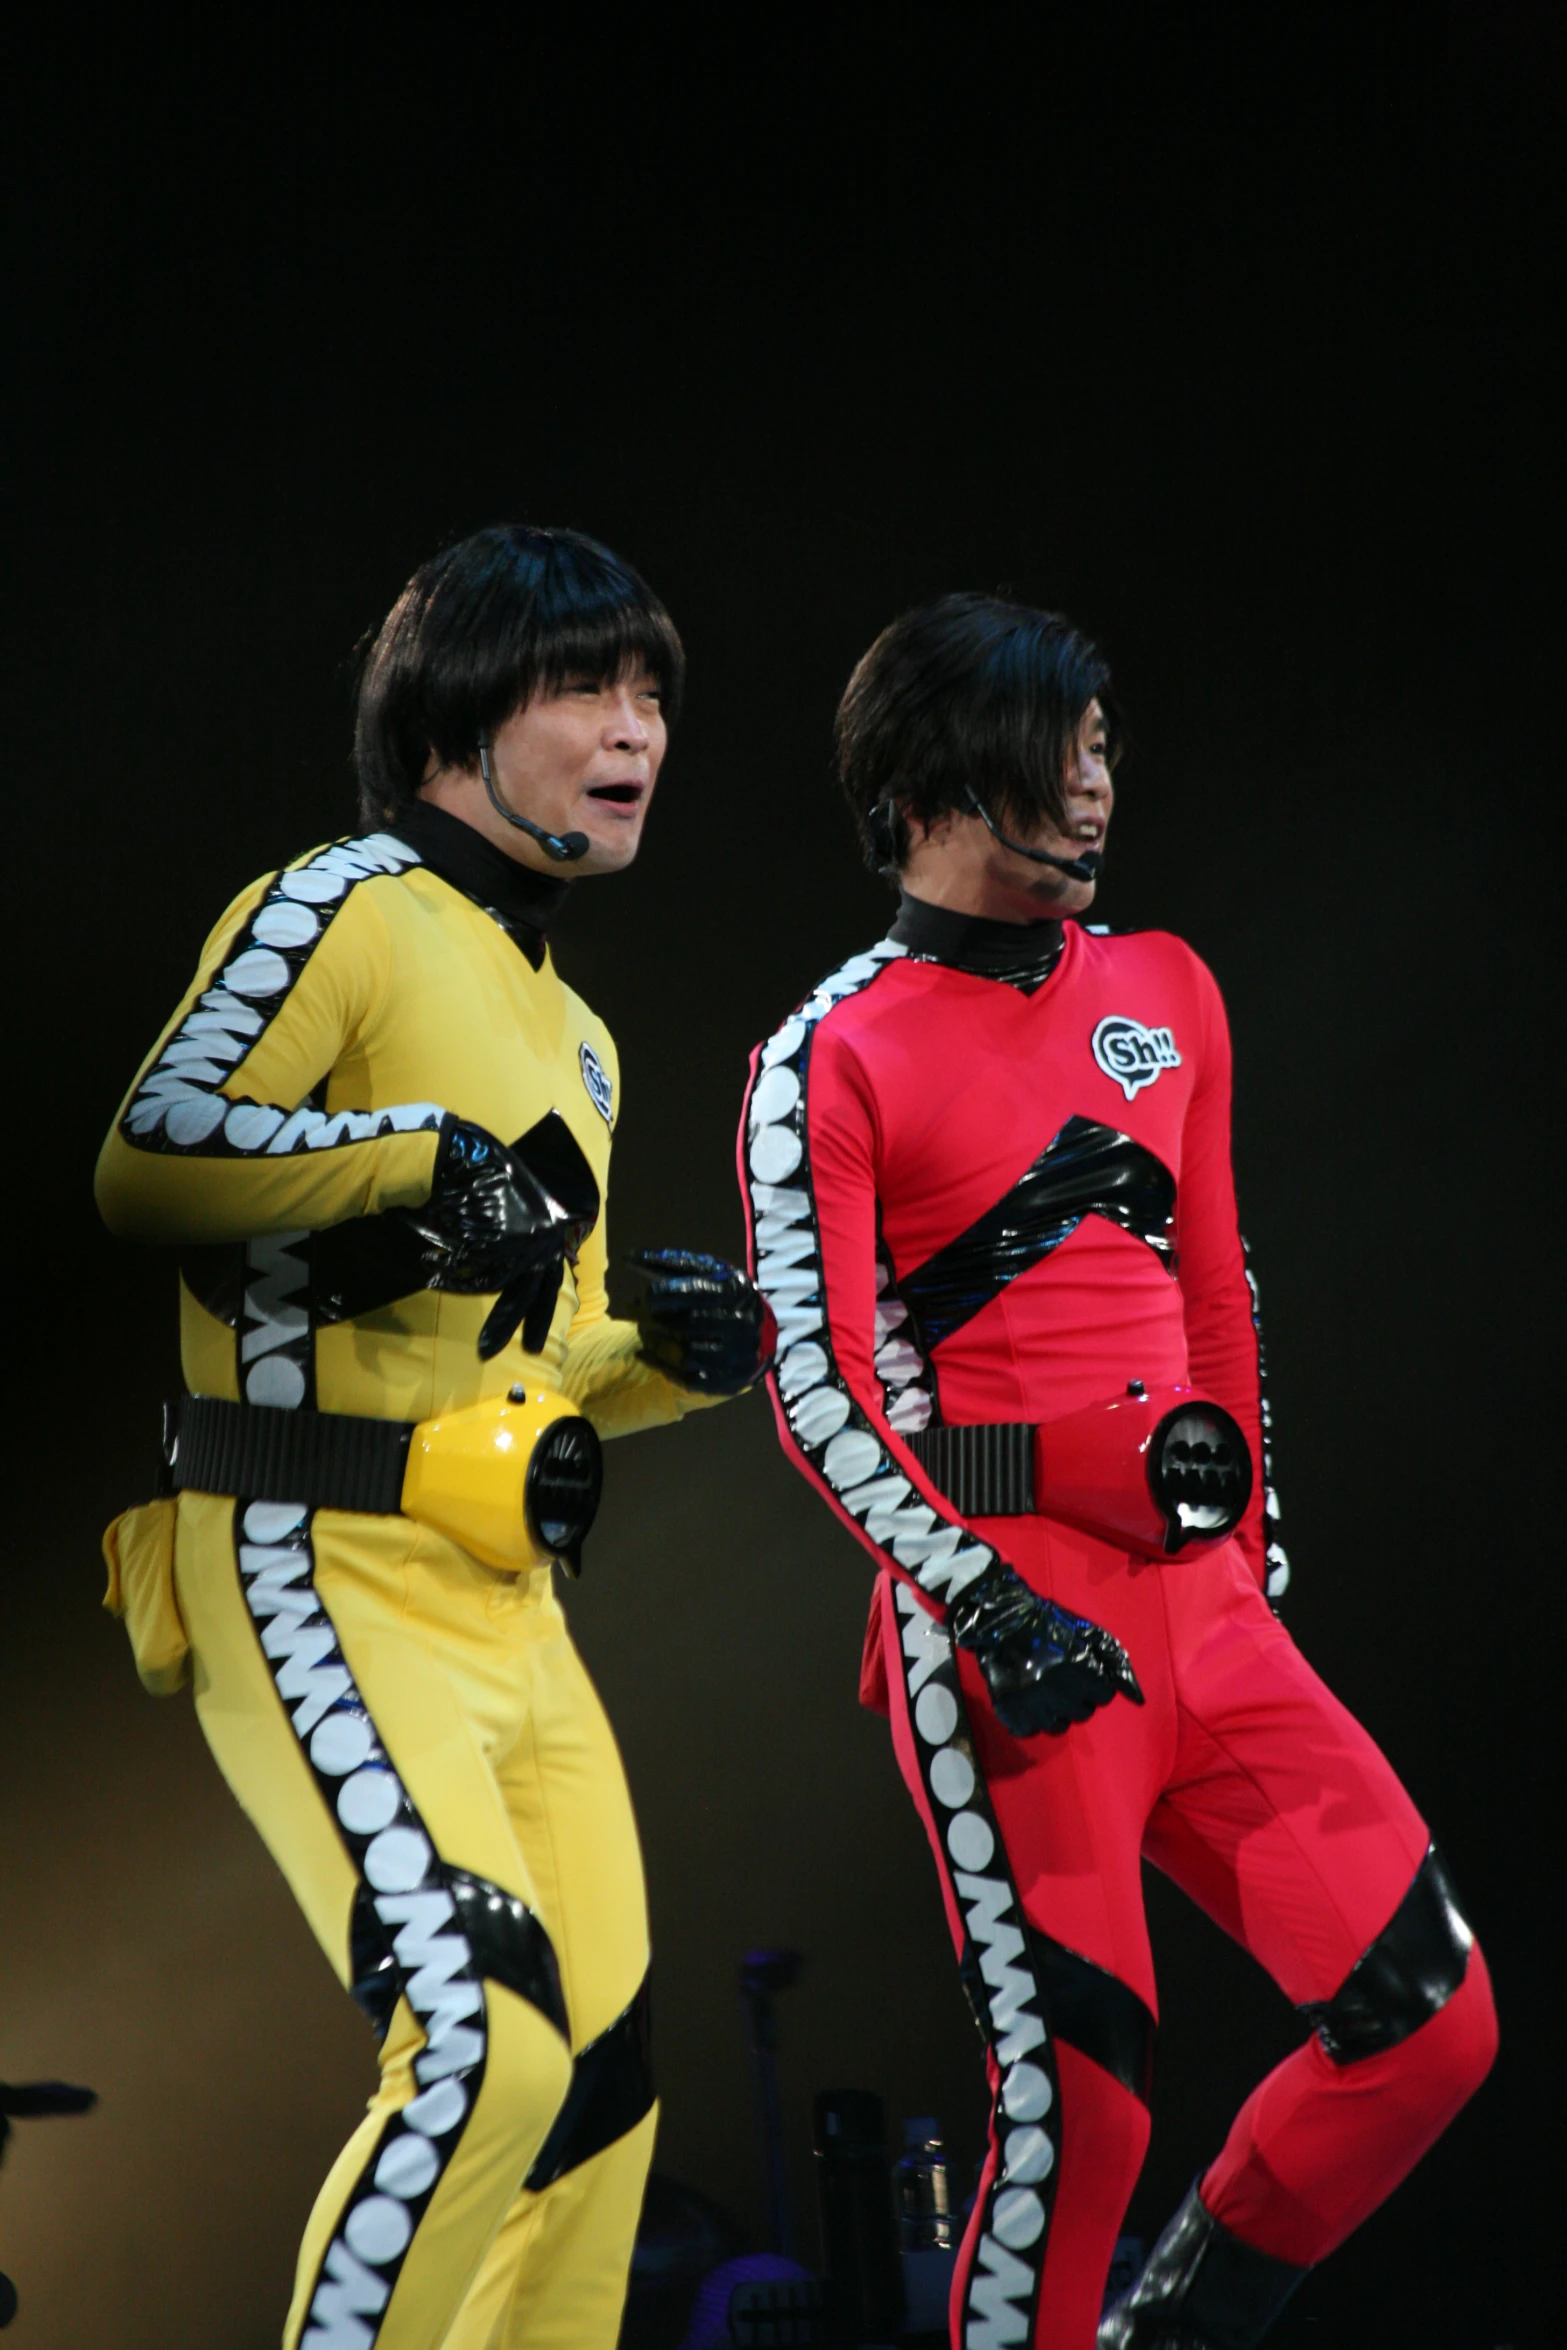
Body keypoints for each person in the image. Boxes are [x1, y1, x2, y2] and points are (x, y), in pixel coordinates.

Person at [738, 594, 1496, 2349]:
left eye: (1102, 748)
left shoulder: (1166, 984)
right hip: (998, 1620)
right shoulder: (827, 1052)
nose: (1093, 786)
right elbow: (822, 1395)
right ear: (934, 774)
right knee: (1080, 2115)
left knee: (1428, 2016)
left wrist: (1251, 1563)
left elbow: (1216, 1287)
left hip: (1205, 1611)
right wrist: (986, 1603)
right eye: (1054, 748)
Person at [95, 524, 770, 2350]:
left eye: (651, 695)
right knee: (479, 2045)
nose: (636, 728)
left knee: (601, 2101)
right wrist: (421, 1158)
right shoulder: (338, 903)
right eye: (585, 686)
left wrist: (682, 1357)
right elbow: (147, 1159)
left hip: (509, 1606)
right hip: (312, 1552)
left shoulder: (587, 1037)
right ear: (450, 721)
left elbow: (541, 1361)